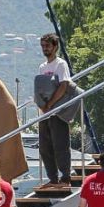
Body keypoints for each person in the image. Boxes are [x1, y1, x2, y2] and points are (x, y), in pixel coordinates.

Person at [34, 33, 75, 188]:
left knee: (60, 145)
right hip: (45, 113)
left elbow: (64, 86)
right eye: (43, 46)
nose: (45, 49)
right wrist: (42, 105)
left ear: (55, 46)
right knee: (45, 147)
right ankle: (53, 178)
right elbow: (40, 88)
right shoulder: (42, 67)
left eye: (48, 46)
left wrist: (51, 104)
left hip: (58, 111)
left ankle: (65, 178)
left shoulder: (60, 64)